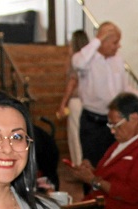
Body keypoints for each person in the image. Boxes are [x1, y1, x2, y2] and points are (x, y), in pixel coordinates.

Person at [72, 21, 138, 165]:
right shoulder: (87, 60)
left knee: (113, 164)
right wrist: (97, 39)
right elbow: (78, 63)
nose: (118, 46)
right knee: (91, 165)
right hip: (92, 123)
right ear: (103, 41)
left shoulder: (118, 60)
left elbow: (124, 88)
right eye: (115, 42)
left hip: (114, 123)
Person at [57, 30, 89, 166]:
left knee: (75, 135)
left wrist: (63, 103)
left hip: (76, 100)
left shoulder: (75, 59)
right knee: (86, 135)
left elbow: (72, 82)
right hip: (88, 101)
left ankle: (78, 164)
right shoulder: (89, 59)